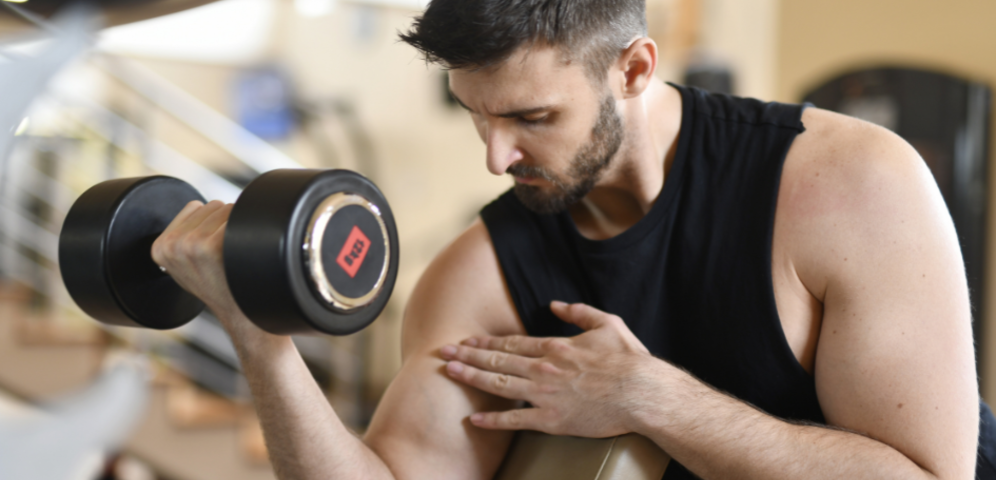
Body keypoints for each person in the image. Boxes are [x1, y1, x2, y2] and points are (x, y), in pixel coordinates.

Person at [151, 0, 994, 478]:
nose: (495, 156)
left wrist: (650, 400)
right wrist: (263, 347)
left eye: (531, 118)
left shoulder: (848, 185)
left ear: (632, 69)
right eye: (476, 117)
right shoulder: (478, 277)